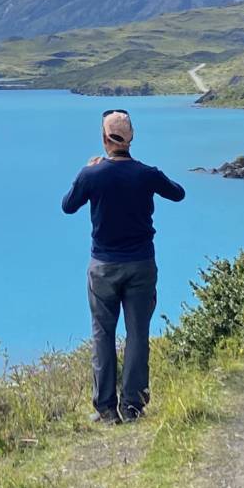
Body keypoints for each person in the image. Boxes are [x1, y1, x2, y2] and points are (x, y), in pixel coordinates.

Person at [61, 108, 186, 423]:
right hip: (141, 264)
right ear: (131, 139)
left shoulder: (92, 174)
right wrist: (150, 174)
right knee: (137, 333)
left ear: (104, 139)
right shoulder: (146, 174)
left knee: (103, 334)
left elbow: (68, 206)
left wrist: (85, 170)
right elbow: (178, 194)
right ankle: (132, 406)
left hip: (103, 265)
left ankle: (105, 409)